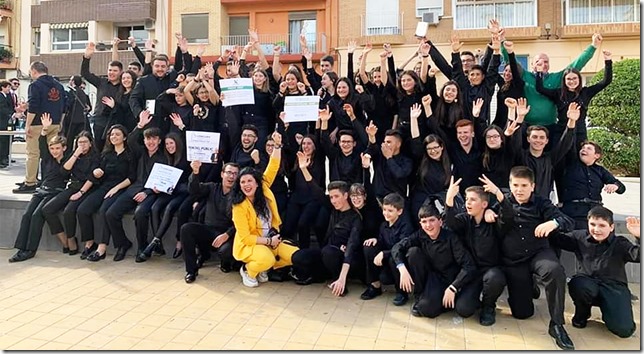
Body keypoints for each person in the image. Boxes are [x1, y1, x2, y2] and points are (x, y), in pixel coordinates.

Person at [488, 166, 575, 350]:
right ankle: (530, 286)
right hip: (514, 261)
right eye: (516, 185)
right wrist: (488, 211)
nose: (519, 190)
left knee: (555, 271)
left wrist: (554, 222)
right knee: (523, 313)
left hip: (538, 253)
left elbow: (568, 222)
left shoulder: (542, 203)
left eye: (524, 185)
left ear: (532, 186)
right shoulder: (502, 201)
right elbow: (485, 213)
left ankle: (557, 325)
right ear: (510, 185)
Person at [547, 208, 639, 338]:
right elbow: (556, 239)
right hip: (587, 284)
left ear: (611, 227)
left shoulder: (620, 243)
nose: (597, 229)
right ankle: (582, 314)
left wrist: (639, 237)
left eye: (602, 225)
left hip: (613, 288)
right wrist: (551, 224)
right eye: (593, 224)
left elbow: (638, 256)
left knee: (624, 330)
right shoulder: (580, 237)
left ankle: (609, 311)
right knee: (579, 284)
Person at [232, 132, 299, 288]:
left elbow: (273, 165)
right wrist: (269, 241)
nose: (246, 185)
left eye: (250, 181)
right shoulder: (238, 206)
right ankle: (249, 270)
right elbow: (247, 238)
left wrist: (277, 145)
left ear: (257, 183)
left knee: (293, 255)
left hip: (270, 238)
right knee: (267, 258)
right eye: (242, 182)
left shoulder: (264, 187)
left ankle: (263, 267)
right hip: (250, 245)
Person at [390, 204, 477, 318]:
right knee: (413, 253)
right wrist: (402, 268)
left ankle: (449, 299)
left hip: (448, 280)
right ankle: (420, 296)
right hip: (431, 278)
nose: (428, 225)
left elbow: (469, 266)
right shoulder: (420, 235)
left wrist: (453, 287)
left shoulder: (451, 238)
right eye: (424, 222)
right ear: (420, 224)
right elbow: (397, 247)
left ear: (440, 222)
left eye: (432, 220)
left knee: (428, 309)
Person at [445, 179, 506, 326]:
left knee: (494, 278)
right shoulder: (465, 219)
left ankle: (488, 306)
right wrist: (449, 199)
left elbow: (508, 215)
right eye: (467, 199)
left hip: (491, 270)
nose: (468, 203)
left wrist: (497, 193)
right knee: (463, 309)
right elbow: (451, 223)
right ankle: (475, 300)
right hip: (472, 270)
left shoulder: (494, 220)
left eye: (473, 200)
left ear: (484, 204)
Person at [9, 113, 69, 262]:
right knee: (27, 214)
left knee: (37, 216)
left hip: (54, 193)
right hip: (41, 191)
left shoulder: (68, 161)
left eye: (57, 148)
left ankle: (30, 250)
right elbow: (42, 143)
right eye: (52, 148)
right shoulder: (48, 158)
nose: (54, 151)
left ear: (64, 148)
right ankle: (21, 248)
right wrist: (44, 130)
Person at [290, 181, 364, 297]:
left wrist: (342, 278)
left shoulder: (355, 218)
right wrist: (304, 169)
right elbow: (317, 192)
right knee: (298, 257)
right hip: (325, 255)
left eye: (336, 196)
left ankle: (338, 281)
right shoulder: (333, 209)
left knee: (328, 252)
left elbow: (351, 246)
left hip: (344, 259)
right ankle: (321, 276)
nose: (333, 200)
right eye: (331, 197)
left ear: (345, 196)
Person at [76, 125, 135, 260]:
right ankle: (89, 242)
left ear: (124, 137)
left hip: (121, 188)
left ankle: (102, 248)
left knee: (105, 212)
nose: (114, 137)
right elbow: (100, 172)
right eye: (111, 134)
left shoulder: (129, 154)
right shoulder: (106, 154)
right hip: (104, 187)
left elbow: (131, 177)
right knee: (83, 209)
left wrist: (116, 188)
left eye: (117, 134)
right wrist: (97, 173)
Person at [536, 49, 613, 146]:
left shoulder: (586, 92)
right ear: (564, 81)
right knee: (558, 158)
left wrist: (608, 61)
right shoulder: (558, 93)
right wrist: (539, 72)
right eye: (568, 79)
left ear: (579, 79)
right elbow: (540, 89)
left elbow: (606, 81)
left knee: (579, 158)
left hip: (579, 133)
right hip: (561, 132)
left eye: (574, 78)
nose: (571, 81)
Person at [41, 131, 100, 256]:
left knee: (70, 210)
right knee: (47, 209)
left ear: (90, 143)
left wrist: (81, 192)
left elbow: (92, 178)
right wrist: (76, 154)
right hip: (73, 186)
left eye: (85, 142)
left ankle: (74, 239)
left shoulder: (96, 156)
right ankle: (64, 239)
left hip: (88, 188)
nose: (82, 145)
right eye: (80, 142)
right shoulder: (74, 155)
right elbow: (64, 171)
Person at [181, 161, 241, 283]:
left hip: (228, 234)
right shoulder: (212, 187)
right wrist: (195, 172)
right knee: (186, 228)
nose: (231, 176)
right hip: (209, 229)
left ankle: (226, 262)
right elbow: (194, 190)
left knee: (225, 251)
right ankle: (191, 271)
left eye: (235, 174)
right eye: (229, 173)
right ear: (222, 174)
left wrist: (226, 235)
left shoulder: (240, 196)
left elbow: (241, 223)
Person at [14, 62, 66, 194]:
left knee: (33, 154)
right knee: (53, 153)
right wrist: (60, 122)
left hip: (38, 123)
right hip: (54, 122)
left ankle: (30, 182)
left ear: (34, 71)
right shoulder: (59, 85)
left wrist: (27, 125)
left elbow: (34, 106)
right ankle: (49, 180)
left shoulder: (35, 85)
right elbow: (64, 105)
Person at [139, 132, 192, 262]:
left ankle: (154, 241)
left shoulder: (186, 157)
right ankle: (158, 243)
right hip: (169, 190)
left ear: (177, 143)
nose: (169, 146)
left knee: (169, 208)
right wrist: (156, 186)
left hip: (183, 192)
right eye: (167, 143)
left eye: (171, 143)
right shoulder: (167, 158)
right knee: (155, 207)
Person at [559, 141, 626, 229]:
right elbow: (566, 145)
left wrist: (615, 186)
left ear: (596, 155)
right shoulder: (571, 165)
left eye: (588, 148)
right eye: (583, 148)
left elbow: (621, 188)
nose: (584, 150)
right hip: (574, 211)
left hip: (595, 211)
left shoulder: (600, 170)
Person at [361, 193, 414, 303]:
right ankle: (375, 285)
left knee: (393, 259)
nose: (386, 213)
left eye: (390, 211)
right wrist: (376, 241)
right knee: (369, 247)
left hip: (400, 262)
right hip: (387, 261)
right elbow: (382, 242)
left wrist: (384, 254)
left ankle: (401, 292)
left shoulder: (406, 227)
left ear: (399, 211)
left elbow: (401, 249)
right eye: (384, 210)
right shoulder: (384, 225)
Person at [81, 42, 123, 151]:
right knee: (98, 148)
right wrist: (87, 57)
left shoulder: (124, 84)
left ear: (121, 72)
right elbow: (85, 74)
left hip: (116, 121)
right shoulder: (101, 82)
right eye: (110, 70)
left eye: (115, 71)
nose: (111, 73)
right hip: (99, 121)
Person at [62, 76, 91, 143]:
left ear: (73, 82)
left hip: (72, 121)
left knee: (69, 141)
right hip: (81, 120)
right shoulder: (83, 93)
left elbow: (68, 105)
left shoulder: (72, 92)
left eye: (70, 80)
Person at [0, 81, 13, 168]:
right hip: (1, 122)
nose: (9, 89)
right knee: (2, 141)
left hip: (7, 121)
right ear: (3, 87)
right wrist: (11, 114)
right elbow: (2, 109)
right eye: (8, 87)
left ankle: (5, 157)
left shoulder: (7, 96)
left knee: (6, 140)